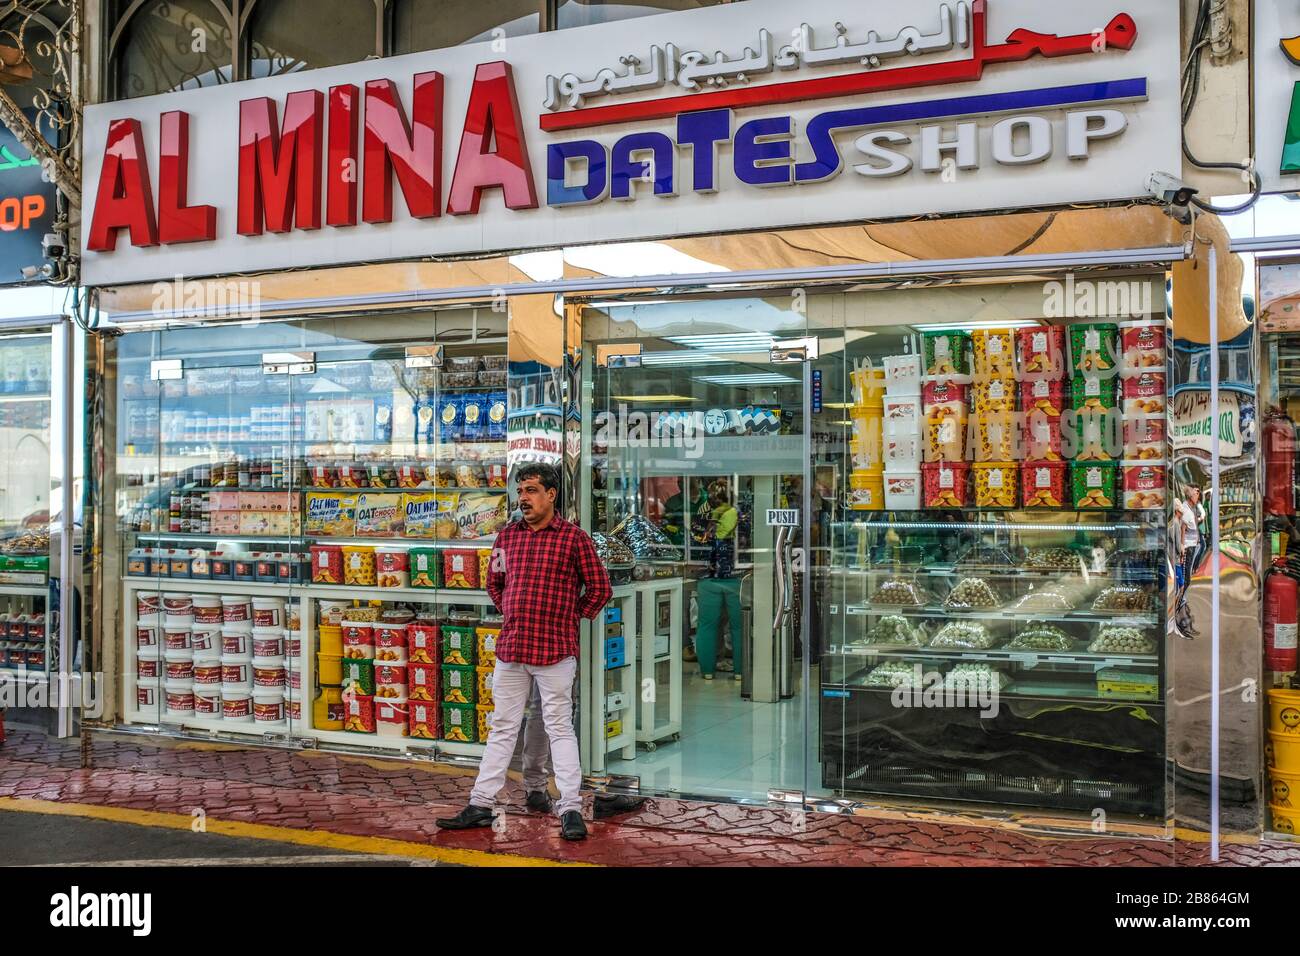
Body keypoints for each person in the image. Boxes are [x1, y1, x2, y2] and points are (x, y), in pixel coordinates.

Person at [437, 463, 612, 841]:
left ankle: (569, 807)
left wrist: (571, 617)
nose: (524, 498)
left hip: (555, 651)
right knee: (503, 726)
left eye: (532, 490)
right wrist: (512, 612)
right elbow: (494, 583)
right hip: (513, 648)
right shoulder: (507, 537)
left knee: (558, 727)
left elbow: (599, 589)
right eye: (521, 491)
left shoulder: (574, 539)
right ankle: (481, 803)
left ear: (551, 495)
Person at [694, 480, 743, 681]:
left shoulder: (702, 513)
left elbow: (696, 540)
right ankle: (740, 671)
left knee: (706, 625)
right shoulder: (739, 513)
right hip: (736, 577)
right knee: (739, 626)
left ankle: (707, 671)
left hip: (708, 577)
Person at [1174, 484, 1206, 638]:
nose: (1198, 494)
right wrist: (1182, 548)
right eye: (1196, 492)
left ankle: (1184, 618)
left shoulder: (1192, 508)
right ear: (1190, 494)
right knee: (1185, 583)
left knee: (1187, 582)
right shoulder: (1186, 509)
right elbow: (1183, 529)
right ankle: (1180, 616)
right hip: (1187, 548)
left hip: (1192, 547)